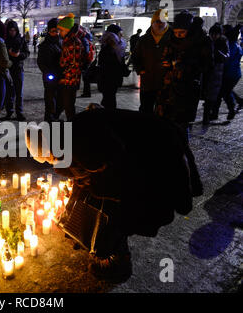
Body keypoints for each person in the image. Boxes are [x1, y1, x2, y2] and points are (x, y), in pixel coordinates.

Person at [25, 105, 203, 282]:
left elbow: (117, 167)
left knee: (126, 210)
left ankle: (117, 264)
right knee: (118, 207)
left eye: (49, 158)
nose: (52, 161)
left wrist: (96, 186)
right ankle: (114, 251)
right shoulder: (70, 131)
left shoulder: (79, 141)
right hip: (150, 141)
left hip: (155, 150)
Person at [158, 11, 208, 138]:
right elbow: (165, 57)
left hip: (188, 88)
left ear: (189, 30)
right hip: (169, 86)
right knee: (167, 119)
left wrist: (187, 65)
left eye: (182, 32)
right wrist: (167, 62)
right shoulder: (171, 40)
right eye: (176, 32)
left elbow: (207, 64)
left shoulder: (201, 41)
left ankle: (182, 148)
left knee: (182, 122)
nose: (178, 35)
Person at [134, 9, 172, 114]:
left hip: (166, 82)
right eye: (158, 21)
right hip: (148, 82)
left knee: (164, 110)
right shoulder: (143, 39)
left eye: (163, 21)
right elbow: (136, 57)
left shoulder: (173, 38)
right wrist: (140, 70)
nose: (160, 24)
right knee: (146, 108)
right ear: (153, 22)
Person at [57, 13, 89, 121]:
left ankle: (72, 129)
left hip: (70, 80)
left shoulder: (73, 42)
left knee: (69, 106)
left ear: (67, 29)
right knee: (66, 105)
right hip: (68, 79)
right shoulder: (69, 40)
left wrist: (62, 73)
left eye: (61, 30)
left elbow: (74, 63)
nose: (59, 33)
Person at [211, 24, 242, 121]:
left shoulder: (231, 46)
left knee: (224, 93)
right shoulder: (235, 45)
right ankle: (216, 113)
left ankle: (231, 110)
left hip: (229, 73)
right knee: (224, 92)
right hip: (234, 73)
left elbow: (226, 60)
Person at [202, 23, 229, 125]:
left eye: (215, 34)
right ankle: (208, 116)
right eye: (212, 34)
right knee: (207, 95)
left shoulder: (223, 41)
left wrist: (218, 54)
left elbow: (227, 55)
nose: (213, 36)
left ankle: (207, 117)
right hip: (206, 71)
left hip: (217, 71)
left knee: (212, 96)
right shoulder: (207, 41)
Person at [37, 18, 63, 122]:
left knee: (60, 100)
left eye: (57, 31)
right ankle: (49, 120)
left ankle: (55, 117)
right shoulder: (44, 45)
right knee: (50, 100)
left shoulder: (61, 42)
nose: (55, 33)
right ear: (49, 31)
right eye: (53, 31)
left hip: (61, 76)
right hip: (50, 77)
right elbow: (41, 62)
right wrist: (47, 72)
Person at [4, 20, 30, 121]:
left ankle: (19, 112)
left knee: (19, 93)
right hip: (8, 69)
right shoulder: (5, 40)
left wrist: (19, 55)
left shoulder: (21, 39)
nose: (12, 32)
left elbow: (26, 53)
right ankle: (9, 112)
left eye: (14, 30)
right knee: (9, 92)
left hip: (18, 68)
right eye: (10, 30)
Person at [97, 24, 127, 110]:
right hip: (109, 79)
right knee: (110, 100)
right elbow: (111, 65)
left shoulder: (113, 47)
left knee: (108, 98)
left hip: (109, 79)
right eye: (120, 33)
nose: (122, 35)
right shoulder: (110, 47)